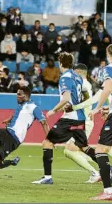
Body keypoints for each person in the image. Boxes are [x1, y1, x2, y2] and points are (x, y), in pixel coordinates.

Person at [32, 52, 98, 185]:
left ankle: (47, 177)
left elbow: (67, 98)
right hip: (80, 117)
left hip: (69, 118)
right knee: (83, 147)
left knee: (47, 143)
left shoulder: (65, 78)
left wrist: (53, 110)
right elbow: (82, 96)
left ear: (60, 63)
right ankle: (108, 169)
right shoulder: (78, 77)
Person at [63, 64, 101, 183]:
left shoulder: (83, 85)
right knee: (81, 148)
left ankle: (96, 173)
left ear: (78, 72)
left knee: (69, 150)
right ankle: (106, 169)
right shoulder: (83, 84)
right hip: (82, 121)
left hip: (83, 121)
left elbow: (85, 101)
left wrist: (72, 108)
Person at [89, 44, 112, 200]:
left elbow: (107, 89)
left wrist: (97, 108)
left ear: (108, 54)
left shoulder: (108, 69)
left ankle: (108, 192)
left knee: (100, 150)